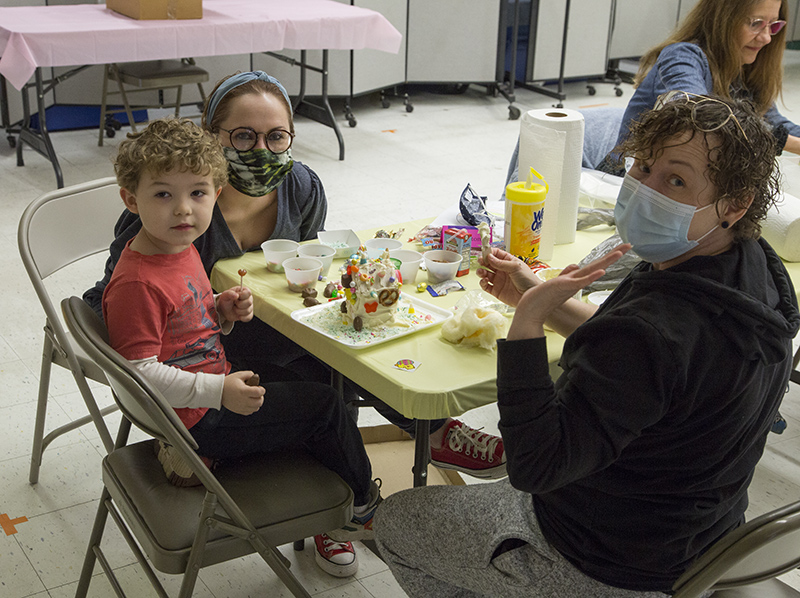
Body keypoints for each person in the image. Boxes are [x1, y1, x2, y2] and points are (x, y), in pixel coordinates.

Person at [84, 70, 506, 576]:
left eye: (276, 136)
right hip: (211, 373)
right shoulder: (163, 222)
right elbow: (118, 316)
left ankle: (423, 435)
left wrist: (222, 309)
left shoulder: (298, 186)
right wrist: (204, 382)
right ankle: (349, 506)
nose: (261, 149)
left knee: (352, 338)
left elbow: (297, 267)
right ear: (212, 138)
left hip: (239, 337)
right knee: (324, 388)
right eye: (242, 135)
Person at [375, 94, 799, 596]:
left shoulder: (651, 329)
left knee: (397, 522)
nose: (644, 189)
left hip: (608, 559)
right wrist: (536, 295)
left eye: (676, 181)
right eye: (643, 166)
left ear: (735, 203)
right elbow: (643, 362)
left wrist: (528, 325)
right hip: (698, 536)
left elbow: (536, 466)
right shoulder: (754, 273)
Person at [102, 118, 381, 581]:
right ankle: (361, 507)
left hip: (211, 385)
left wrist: (220, 310)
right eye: (163, 194)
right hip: (197, 422)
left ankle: (318, 490)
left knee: (315, 377)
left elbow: (184, 323)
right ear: (131, 200)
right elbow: (139, 374)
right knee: (327, 406)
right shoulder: (136, 281)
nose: (183, 211)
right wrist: (218, 392)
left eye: (198, 193)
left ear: (217, 192)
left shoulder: (178, 248)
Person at [600, 0, 800, 171]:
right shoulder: (682, 57)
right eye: (756, 24)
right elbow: (700, 118)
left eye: (773, 25)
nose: (766, 38)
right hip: (629, 179)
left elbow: (773, 121)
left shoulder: (746, 67)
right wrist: (791, 144)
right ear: (722, 19)